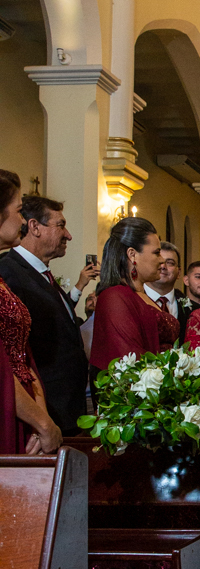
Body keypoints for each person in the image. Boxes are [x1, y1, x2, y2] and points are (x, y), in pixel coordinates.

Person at [0, 194, 98, 434]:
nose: (68, 235)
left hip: (66, 409)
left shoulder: (43, 274)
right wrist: (38, 419)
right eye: (61, 225)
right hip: (43, 410)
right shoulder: (9, 271)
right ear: (35, 227)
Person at [0, 170, 62, 453]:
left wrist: (41, 418)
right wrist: (43, 423)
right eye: (18, 211)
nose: (23, 221)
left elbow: (22, 354)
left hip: (23, 410)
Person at [90, 217, 179, 374]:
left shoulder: (141, 295)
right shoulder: (114, 297)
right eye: (156, 253)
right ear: (132, 255)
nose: (162, 261)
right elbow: (127, 359)